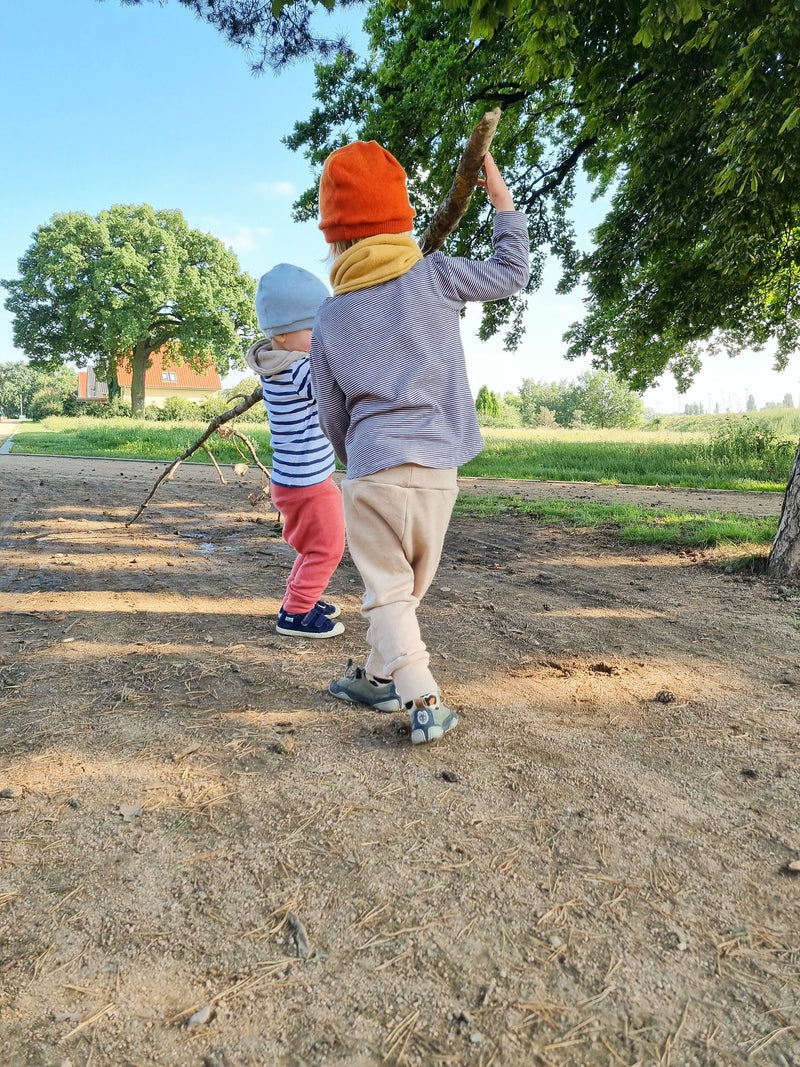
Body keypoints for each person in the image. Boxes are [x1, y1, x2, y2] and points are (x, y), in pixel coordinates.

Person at [309, 141, 529, 742]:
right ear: (401, 220)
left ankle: (420, 697)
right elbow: (513, 273)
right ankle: (382, 678)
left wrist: (357, 458)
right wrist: (498, 197)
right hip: (439, 470)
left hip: (374, 468)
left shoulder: (330, 315)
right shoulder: (437, 276)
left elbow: (330, 413)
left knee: (389, 593)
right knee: (401, 593)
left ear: (337, 239)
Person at [246, 263, 346, 639]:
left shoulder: (277, 365)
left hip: (293, 482)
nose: (323, 340)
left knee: (312, 547)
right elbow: (338, 385)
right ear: (284, 337)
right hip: (309, 484)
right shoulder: (298, 370)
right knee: (328, 548)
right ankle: (296, 613)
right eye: (315, 332)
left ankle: (303, 596)